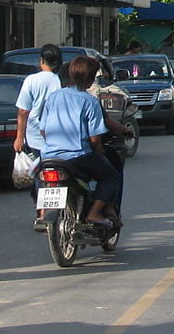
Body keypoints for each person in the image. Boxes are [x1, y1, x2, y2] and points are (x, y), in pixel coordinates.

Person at [39, 56, 122, 227]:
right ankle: (94, 213)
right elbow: (94, 138)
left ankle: (42, 213)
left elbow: (43, 129)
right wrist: (98, 149)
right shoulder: (89, 101)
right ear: (91, 79)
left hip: (50, 157)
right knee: (110, 176)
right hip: (78, 157)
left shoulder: (53, 97)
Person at [13, 44, 63, 228]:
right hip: (58, 137)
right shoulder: (60, 81)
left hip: (33, 138)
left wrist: (19, 137)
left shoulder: (31, 81)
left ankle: (41, 214)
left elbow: (23, 112)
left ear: (41, 60)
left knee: (38, 175)